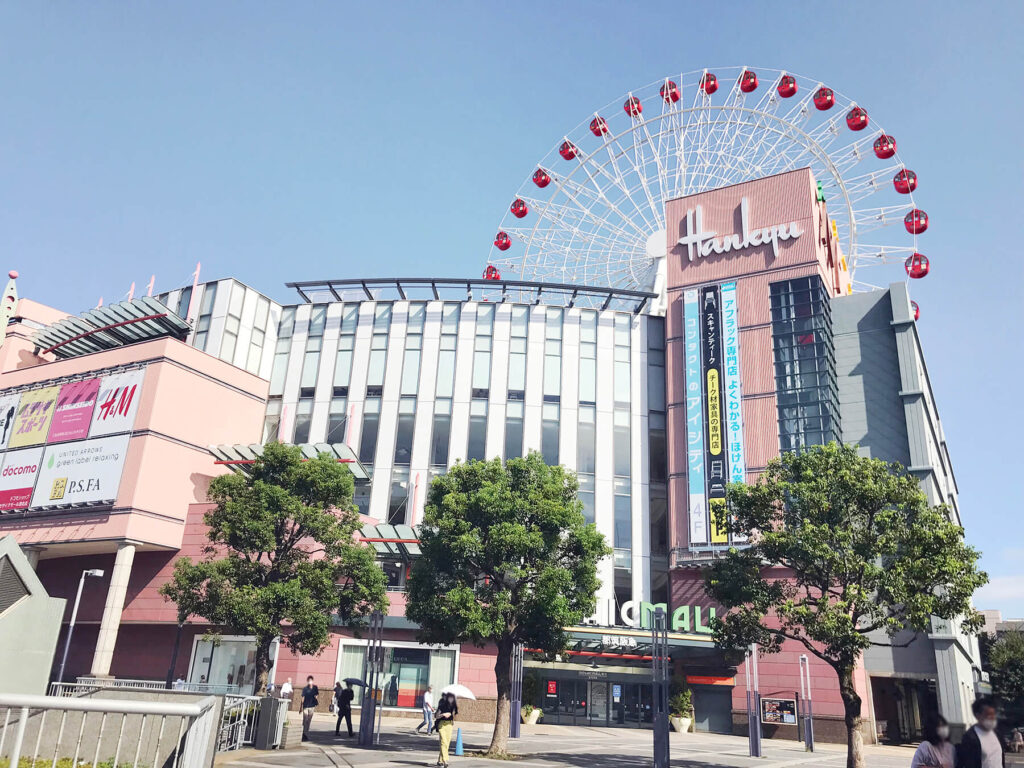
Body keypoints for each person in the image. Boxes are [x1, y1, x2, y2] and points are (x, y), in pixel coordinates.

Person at [957, 697, 1003, 768]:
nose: (992, 717)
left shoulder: (997, 733)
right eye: (988, 715)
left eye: (993, 714)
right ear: (977, 715)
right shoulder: (970, 737)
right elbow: (968, 763)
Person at [434, 692, 458, 768]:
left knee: (446, 743)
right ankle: (445, 760)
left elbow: (455, 715)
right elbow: (436, 716)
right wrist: (443, 715)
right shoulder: (442, 705)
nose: (451, 699)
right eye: (449, 697)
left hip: (449, 725)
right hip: (442, 724)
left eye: (452, 697)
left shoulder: (454, 706)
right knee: (443, 742)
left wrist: (452, 713)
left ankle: (440, 761)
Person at [301, 676, 319, 741]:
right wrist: (301, 707)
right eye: (309, 680)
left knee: (309, 720)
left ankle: (306, 733)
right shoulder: (305, 689)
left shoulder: (315, 688)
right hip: (305, 705)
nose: (310, 682)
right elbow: (302, 697)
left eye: (311, 680)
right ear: (308, 681)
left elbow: (317, 694)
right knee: (305, 719)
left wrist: (315, 699)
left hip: (312, 706)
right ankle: (302, 733)